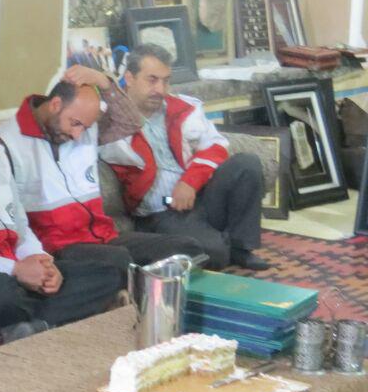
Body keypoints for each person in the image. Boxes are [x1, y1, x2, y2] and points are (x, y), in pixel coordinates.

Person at [0, 71, 120, 342]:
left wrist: (41, 261)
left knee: (109, 272)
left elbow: (20, 224)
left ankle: (34, 323)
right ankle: (47, 315)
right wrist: (14, 270)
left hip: (16, 265)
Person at [0, 65, 206, 277]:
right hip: (58, 249)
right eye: (74, 123)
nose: (78, 135)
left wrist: (104, 83)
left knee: (186, 248)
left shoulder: (85, 126)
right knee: (118, 261)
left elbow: (131, 122)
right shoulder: (4, 143)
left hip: (105, 237)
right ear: (55, 105)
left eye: (84, 128)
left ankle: (146, 289)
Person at [99, 44, 271, 270]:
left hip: (196, 196)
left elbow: (216, 145)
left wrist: (190, 182)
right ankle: (217, 243)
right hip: (160, 213)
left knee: (246, 164)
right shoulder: (110, 119)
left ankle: (240, 247)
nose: (160, 89)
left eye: (166, 81)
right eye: (152, 80)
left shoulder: (181, 107)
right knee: (212, 254)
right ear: (130, 78)